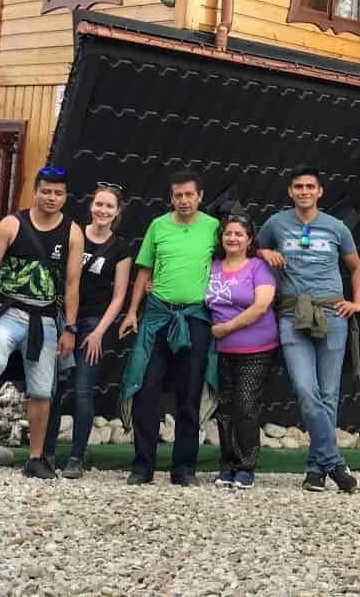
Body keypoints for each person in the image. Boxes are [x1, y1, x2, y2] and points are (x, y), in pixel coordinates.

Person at [0, 165, 83, 479]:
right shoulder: (12, 224)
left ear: (65, 197)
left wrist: (71, 328)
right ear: (35, 192)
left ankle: (35, 458)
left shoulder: (72, 232)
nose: (51, 198)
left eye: (58, 193)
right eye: (46, 191)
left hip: (46, 319)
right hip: (7, 311)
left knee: (41, 389)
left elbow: (73, 284)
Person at [256, 164, 360, 494]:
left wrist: (356, 303)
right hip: (292, 314)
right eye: (298, 187)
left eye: (310, 187)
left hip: (332, 314)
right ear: (290, 192)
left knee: (328, 393)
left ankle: (315, 470)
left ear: (320, 192)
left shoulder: (337, 227)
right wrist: (265, 251)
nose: (304, 192)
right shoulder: (276, 223)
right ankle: (335, 463)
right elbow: (251, 250)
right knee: (306, 390)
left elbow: (356, 267)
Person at [118, 170, 219, 487]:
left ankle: (184, 468)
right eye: (178, 195)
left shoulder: (214, 228)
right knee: (147, 389)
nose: (184, 200)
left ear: (200, 196)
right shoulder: (158, 226)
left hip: (196, 318)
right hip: (158, 315)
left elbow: (234, 257)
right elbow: (145, 269)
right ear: (171, 197)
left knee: (189, 393)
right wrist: (132, 311)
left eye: (190, 194)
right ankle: (143, 465)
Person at [42, 183, 132, 478]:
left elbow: (119, 296)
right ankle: (47, 452)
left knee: (82, 390)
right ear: (91, 206)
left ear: (117, 212)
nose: (102, 210)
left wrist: (98, 333)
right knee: (54, 388)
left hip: (94, 321)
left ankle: (77, 457)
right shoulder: (73, 234)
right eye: (99, 204)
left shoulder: (120, 249)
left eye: (109, 206)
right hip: (64, 318)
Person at [205, 212, 278, 490]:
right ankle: (227, 464)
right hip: (222, 350)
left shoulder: (258, 267)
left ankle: (246, 466)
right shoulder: (212, 266)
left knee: (246, 406)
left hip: (255, 347)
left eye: (239, 234)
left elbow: (261, 306)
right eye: (228, 233)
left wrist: (228, 327)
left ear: (249, 240)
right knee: (224, 408)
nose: (232, 238)